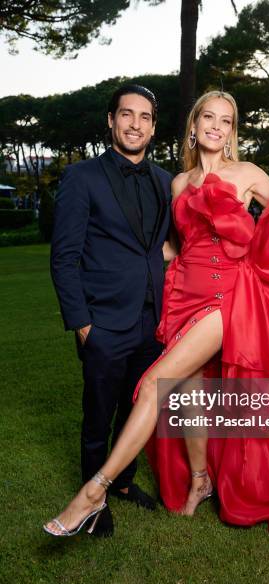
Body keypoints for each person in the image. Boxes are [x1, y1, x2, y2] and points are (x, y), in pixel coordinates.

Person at [44, 21, 269, 537]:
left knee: (154, 384)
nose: (217, 126)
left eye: (227, 120)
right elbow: (174, 246)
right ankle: (199, 480)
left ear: (233, 130)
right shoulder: (175, 182)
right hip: (183, 296)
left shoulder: (251, 175)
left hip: (226, 296)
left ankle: (91, 493)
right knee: (191, 391)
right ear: (193, 127)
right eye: (208, 118)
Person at [49, 84, 172, 537]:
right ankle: (92, 500)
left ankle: (121, 483)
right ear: (111, 120)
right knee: (98, 414)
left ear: (154, 127)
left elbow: (165, 248)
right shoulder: (81, 177)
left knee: (136, 407)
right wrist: (82, 324)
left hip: (151, 321)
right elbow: (64, 257)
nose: (135, 124)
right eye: (126, 114)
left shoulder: (165, 181)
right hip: (102, 322)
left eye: (144, 117)